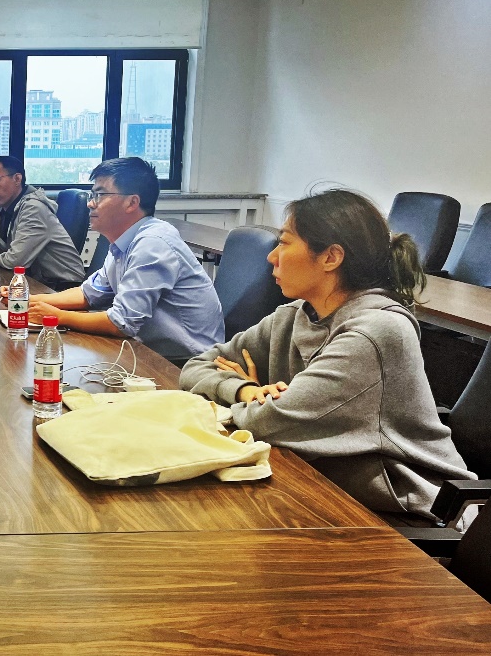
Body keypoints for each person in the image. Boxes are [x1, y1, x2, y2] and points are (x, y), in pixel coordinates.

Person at [180, 189, 472, 523]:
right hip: (327, 489)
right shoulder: (293, 316)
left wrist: (255, 402)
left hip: (409, 514)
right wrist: (246, 390)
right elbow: (195, 367)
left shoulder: (375, 332)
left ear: (331, 257)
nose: (271, 256)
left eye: (284, 242)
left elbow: (266, 422)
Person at [11, 157, 223, 363]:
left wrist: (56, 316)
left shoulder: (152, 244)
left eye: (100, 195)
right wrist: (31, 301)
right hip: (149, 351)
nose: (90, 204)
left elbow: (121, 323)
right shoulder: (123, 243)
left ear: (132, 202)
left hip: (188, 362)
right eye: (92, 195)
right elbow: (88, 294)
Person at [0, 156, 84, 291]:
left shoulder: (34, 208)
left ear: (17, 179)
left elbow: (16, 261)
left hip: (61, 286)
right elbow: (2, 246)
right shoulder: (0, 210)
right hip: (34, 279)